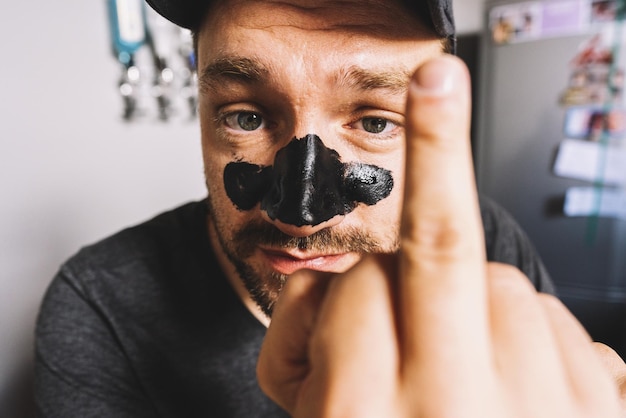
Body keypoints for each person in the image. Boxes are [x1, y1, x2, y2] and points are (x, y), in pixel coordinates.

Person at [34, 0, 626, 417]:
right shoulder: (97, 307)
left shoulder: (487, 243)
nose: (300, 215)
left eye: (373, 121)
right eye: (245, 117)